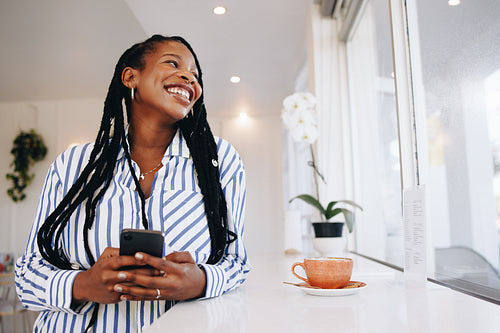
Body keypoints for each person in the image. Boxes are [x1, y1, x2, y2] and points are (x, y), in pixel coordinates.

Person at [15, 35, 249, 332]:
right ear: (130, 77)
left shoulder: (220, 161)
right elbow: (26, 278)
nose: (188, 77)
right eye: (172, 63)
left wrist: (200, 281)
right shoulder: (73, 165)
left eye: (195, 75)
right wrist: (83, 285)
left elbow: (237, 263)